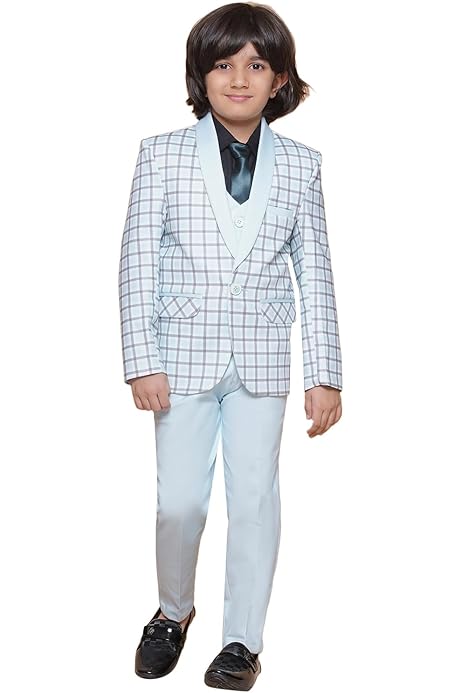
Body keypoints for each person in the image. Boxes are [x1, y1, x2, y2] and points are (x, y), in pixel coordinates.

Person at [118, 2, 343, 689]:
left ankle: (243, 640)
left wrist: (325, 373)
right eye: (223, 64)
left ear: (280, 80)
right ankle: (172, 611)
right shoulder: (160, 154)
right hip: (179, 357)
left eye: (256, 65)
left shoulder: (302, 165)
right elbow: (137, 261)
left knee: (254, 501)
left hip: (263, 358)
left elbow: (316, 270)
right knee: (180, 503)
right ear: (201, 75)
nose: (239, 78)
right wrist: (141, 360)